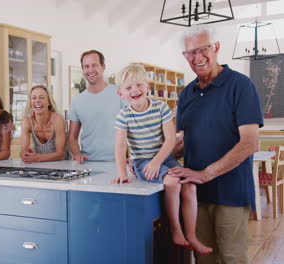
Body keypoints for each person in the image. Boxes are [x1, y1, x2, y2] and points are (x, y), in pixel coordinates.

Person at [169, 25, 263, 263]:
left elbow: (250, 143)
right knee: (204, 260)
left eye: (203, 49)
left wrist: (205, 174)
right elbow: (183, 142)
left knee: (233, 258)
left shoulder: (240, 85)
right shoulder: (186, 94)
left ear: (216, 48)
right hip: (196, 196)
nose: (197, 57)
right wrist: (151, 158)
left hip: (231, 193)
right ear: (185, 56)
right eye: (191, 52)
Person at [111, 64, 212, 255]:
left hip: (164, 158)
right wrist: (122, 173)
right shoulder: (124, 115)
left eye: (139, 84)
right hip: (142, 162)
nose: (135, 90)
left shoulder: (160, 107)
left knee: (190, 187)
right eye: (129, 87)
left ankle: (191, 236)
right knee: (173, 182)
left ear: (148, 86)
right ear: (120, 94)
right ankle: (175, 229)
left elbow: (171, 139)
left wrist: (158, 161)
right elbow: (120, 146)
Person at [69, 50, 126, 162]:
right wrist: (76, 153)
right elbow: (72, 137)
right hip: (88, 162)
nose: (90, 70)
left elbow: (133, 129)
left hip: (118, 162)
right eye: (86, 66)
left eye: (94, 65)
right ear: (83, 70)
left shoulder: (120, 94)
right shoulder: (77, 101)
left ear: (103, 67)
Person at [20, 85, 66, 163]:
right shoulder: (27, 121)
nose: (37, 101)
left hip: (60, 165)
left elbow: (61, 155)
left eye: (41, 97)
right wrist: (26, 155)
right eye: (34, 98)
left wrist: (37, 157)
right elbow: (23, 152)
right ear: (30, 102)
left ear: (49, 102)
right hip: (39, 165)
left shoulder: (57, 120)